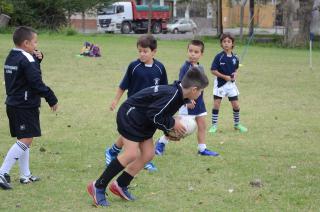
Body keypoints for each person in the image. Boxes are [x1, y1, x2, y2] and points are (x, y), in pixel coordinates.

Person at [87, 66, 209, 207]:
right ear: (194, 89)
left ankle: (120, 185)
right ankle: (98, 186)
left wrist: (168, 131)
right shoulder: (173, 95)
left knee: (148, 154)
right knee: (131, 153)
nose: (200, 94)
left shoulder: (179, 94)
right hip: (130, 116)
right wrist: (172, 124)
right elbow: (155, 114)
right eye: (200, 91)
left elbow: (160, 113)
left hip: (143, 121)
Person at [0, 26, 58, 190]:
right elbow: (36, 82)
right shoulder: (27, 59)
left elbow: (24, 74)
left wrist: (37, 60)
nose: (36, 45)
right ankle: (2, 172)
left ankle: (25, 175)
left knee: (24, 138)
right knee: (26, 139)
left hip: (13, 103)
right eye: (35, 42)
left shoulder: (12, 56)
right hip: (24, 105)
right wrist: (51, 98)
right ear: (26, 43)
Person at [105, 35, 168, 172]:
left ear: (154, 51)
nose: (142, 54)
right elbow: (123, 85)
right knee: (133, 133)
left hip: (150, 109)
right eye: (139, 51)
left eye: (145, 51)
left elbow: (164, 89)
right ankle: (118, 153)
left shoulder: (160, 68)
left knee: (141, 132)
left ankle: (116, 152)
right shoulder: (134, 67)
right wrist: (115, 100)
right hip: (133, 108)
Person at [155, 40, 219, 156]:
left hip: (199, 103)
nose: (193, 54)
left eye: (196, 52)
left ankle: (202, 149)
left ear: (201, 54)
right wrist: (186, 101)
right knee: (179, 128)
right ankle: (161, 142)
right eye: (190, 51)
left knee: (202, 125)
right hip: (188, 103)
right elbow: (181, 87)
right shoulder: (185, 68)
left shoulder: (201, 68)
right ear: (187, 52)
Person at [208, 33, 247, 134]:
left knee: (236, 106)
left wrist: (235, 74)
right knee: (216, 105)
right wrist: (224, 77)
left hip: (231, 85)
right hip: (220, 84)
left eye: (229, 42)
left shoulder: (235, 57)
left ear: (232, 44)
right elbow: (213, 70)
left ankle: (237, 124)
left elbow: (236, 68)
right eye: (224, 41)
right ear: (221, 44)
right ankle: (214, 126)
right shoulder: (219, 57)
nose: (226, 44)